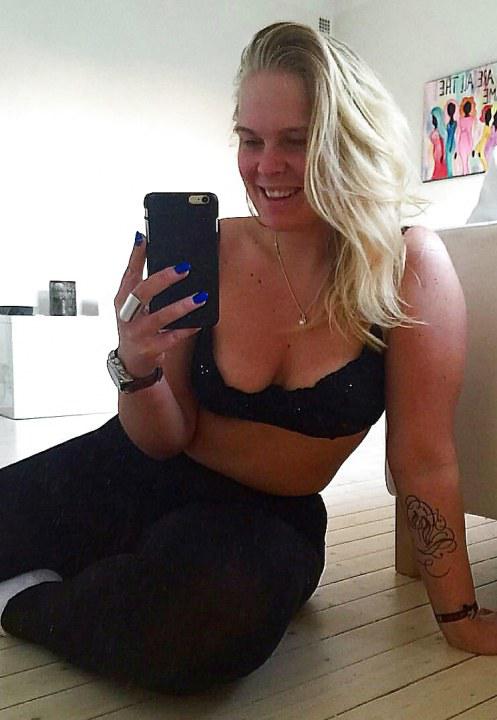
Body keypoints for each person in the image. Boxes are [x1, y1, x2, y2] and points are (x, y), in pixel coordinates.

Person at [1, 21, 496, 695]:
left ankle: (28, 600)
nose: (266, 167)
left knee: (200, 631)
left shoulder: (404, 266)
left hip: (266, 519)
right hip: (136, 467)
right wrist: (136, 365)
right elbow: (162, 438)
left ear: (346, 140)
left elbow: (424, 459)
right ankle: (105, 569)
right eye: (250, 139)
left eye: (296, 140)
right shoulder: (210, 251)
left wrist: (460, 618)